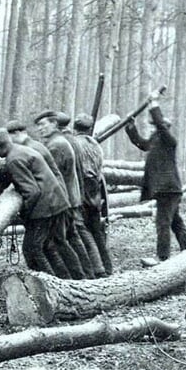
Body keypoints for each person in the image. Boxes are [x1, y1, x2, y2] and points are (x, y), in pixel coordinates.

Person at [0, 128, 86, 278]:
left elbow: (32, 191)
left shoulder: (14, 159)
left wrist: (24, 212)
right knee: (54, 244)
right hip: (57, 201)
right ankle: (74, 279)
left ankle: (48, 284)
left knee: (32, 248)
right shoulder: (22, 150)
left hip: (45, 208)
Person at [33, 110, 105, 278]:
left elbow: (51, 175)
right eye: (38, 126)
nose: (40, 129)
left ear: (55, 124)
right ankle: (89, 274)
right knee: (72, 236)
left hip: (65, 199)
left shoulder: (58, 144)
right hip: (73, 196)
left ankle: (83, 275)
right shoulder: (64, 141)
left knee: (65, 239)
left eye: (43, 125)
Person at [123, 103, 186, 263]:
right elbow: (141, 144)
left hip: (167, 190)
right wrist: (131, 128)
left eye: (156, 126)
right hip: (166, 190)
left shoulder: (169, 141)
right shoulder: (155, 140)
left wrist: (154, 106)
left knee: (162, 223)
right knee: (175, 222)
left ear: (163, 128)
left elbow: (161, 126)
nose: (153, 128)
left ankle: (162, 258)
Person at [71, 114, 114, 275]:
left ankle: (96, 268)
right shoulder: (95, 145)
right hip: (95, 192)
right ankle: (107, 267)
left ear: (74, 129)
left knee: (82, 229)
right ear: (89, 129)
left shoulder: (74, 144)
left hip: (82, 190)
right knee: (96, 230)